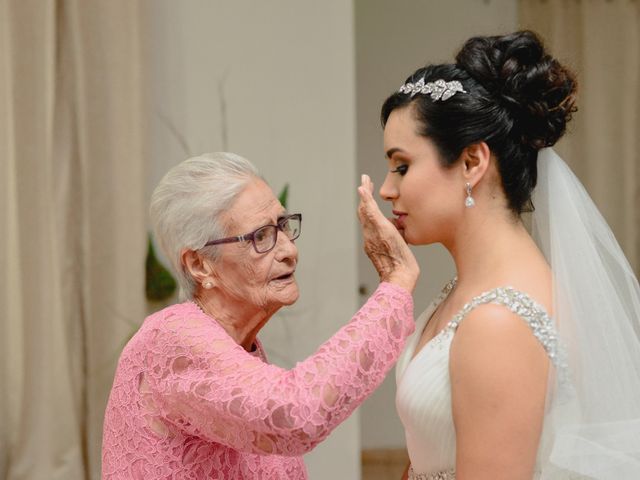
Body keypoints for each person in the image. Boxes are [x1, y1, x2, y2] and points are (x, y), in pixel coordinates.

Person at [375, 31, 640, 479]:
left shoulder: (499, 321)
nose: (386, 189)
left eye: (402, 166)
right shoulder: (468, 292)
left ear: (471, 163)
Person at [101, 152, 419, 479]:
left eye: (283, 227)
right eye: (260, 237)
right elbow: (296, 415)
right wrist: (395, 283)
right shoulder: (170, 339)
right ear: (199, 265)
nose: (288, 251)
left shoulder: (241, 351)